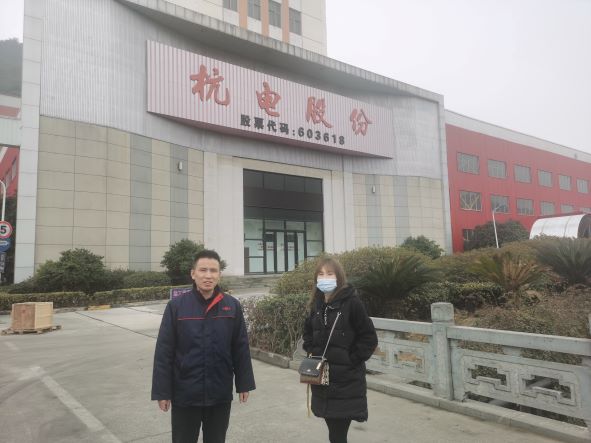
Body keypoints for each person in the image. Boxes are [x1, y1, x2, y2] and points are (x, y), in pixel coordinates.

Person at [151, 249, 255, 443]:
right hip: (185, 393)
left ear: (219, 274)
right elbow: (164, 352)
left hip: (219, 393)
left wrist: (244, 383)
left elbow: (240, 347)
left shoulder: (232, 306)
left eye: (213, 271)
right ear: (193, 274)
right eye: (203, 270)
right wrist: (162, 391)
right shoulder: (177, 306)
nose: (208, 276)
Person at [303, 257, 378, 443]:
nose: (324, 278)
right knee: (333, 430)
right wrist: (311, 350)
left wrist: (351, 359)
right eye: (321, 274)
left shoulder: (352, 303)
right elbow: (307, 332)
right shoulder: (317, 304)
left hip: (345, 382)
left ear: (339, 277)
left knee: (337, 434)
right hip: (322, 379)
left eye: (329, 274)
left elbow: (369, 337)